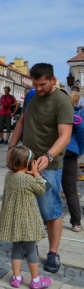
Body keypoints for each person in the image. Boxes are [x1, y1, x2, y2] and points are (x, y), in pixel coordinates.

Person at [9, 63, 73, 273]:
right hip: (25, 162)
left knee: (50, 210)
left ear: (53, 80)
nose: (39, 88)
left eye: (42, 84)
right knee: (29, 208)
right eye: (35, 84)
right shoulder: (31, 96)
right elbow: (21, 122)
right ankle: (30, 244)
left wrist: (49, 155)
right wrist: (11, 147)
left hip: (49, 165)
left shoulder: (62, 101)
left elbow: (65, 135)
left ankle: (53, 253)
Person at [0, 146, 51, 289]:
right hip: (28, 221)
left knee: (16, 249)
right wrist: (36, 174)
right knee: (31, 250)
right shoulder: (28, 179)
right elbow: (42, 189)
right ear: (28, 162)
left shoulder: (9, 176)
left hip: (13, 221)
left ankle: (16, 278)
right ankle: (35, 280)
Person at [62, 91, 82, 232]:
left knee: (50, 187)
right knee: (70, 189)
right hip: (70, 153)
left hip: (55, 152)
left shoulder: (59, 113)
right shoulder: (77, 116)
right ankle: (76, 223)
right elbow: (81, 133)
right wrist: (79, 150)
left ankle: (47, 219)